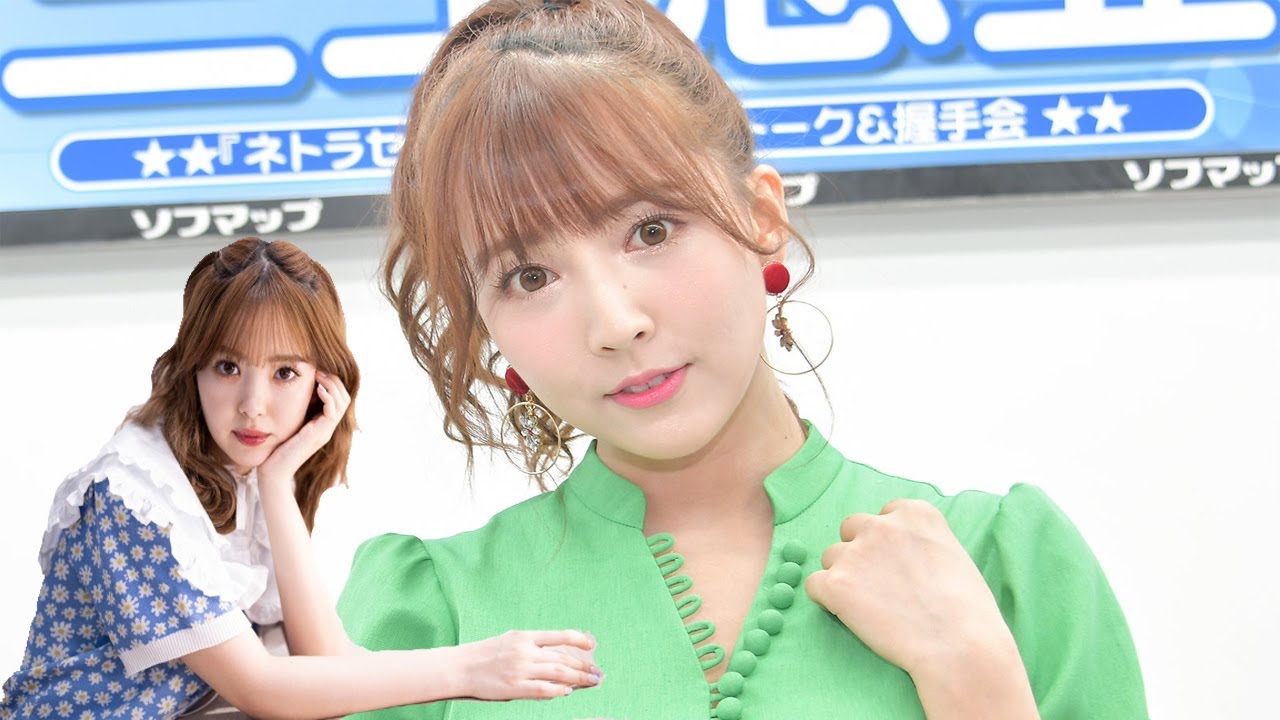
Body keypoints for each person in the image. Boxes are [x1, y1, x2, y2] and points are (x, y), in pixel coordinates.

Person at [338, 1, 1149, 718]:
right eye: (528, 277)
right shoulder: (428, 618)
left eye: (651, 230)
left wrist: (971, 673)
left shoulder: (1002, 563)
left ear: (761, 216)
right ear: (487, 324)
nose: (616, 324)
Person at [0, 238, 600, 720]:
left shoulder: (243, 472)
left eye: (284, 372)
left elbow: (324, 659)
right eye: (227, 366)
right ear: (192, 368)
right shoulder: (136, 498)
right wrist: (472, 667)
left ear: (322, 380)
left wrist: (278, 482)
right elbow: (262, 688)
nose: (253, 405)